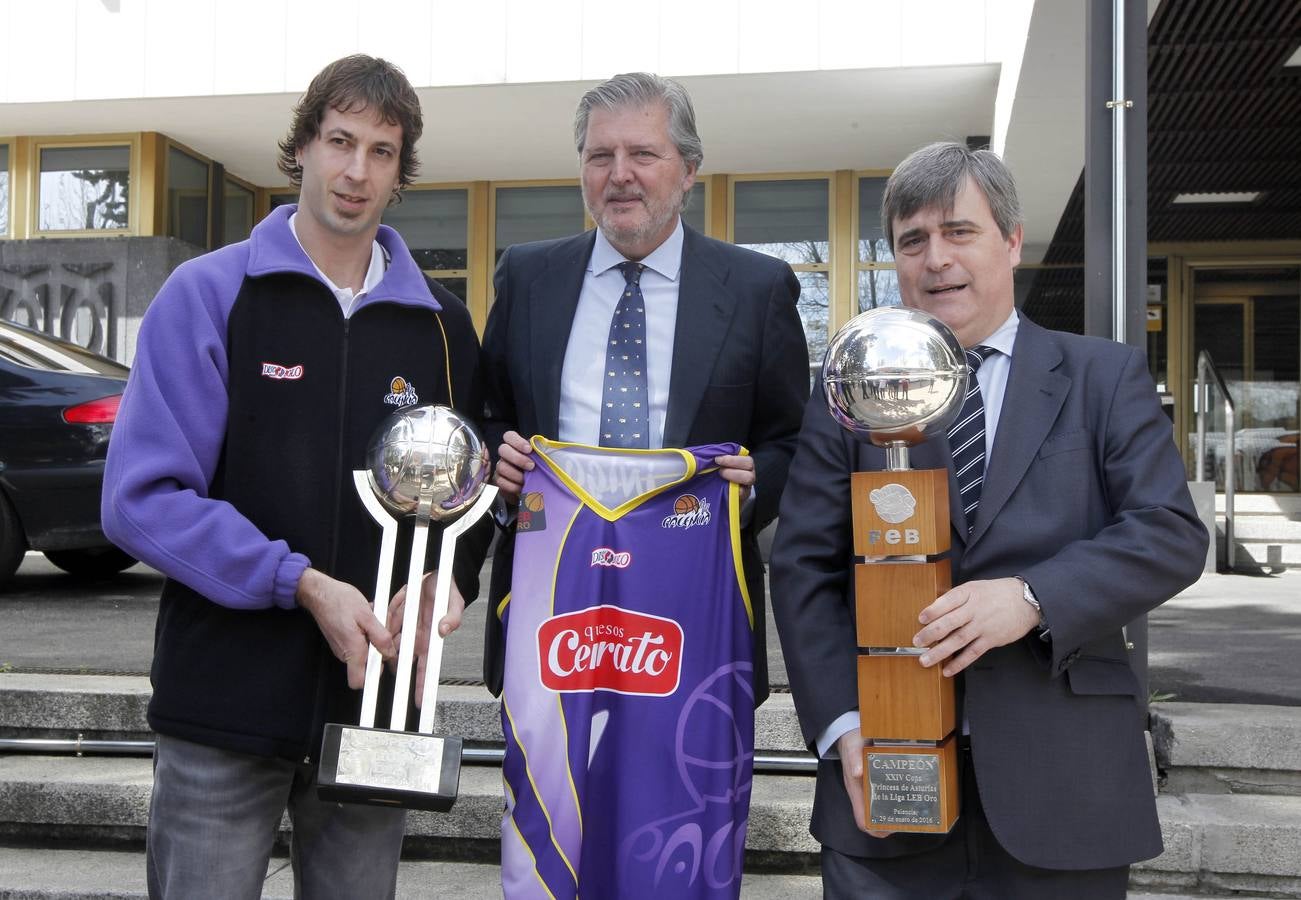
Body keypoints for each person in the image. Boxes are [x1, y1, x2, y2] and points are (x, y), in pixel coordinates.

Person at [770, 141, 1208, 898]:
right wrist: (841, 727)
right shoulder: (851, 391)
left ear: (1009, 241)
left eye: (957, 232)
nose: (934, 259)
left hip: (1064, 787)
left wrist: (1031, 596)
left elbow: (1168, 531)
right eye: (912, 240)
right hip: (885, 786)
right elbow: (803, 567)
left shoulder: (1101, 376)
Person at [101, 55, 489, 899]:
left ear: (399, 172)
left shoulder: (443, 327)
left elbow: (471, 494)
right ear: (302, 149)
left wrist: (444, 582)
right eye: (339, 142)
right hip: (224, 707)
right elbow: (141, 502)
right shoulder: (208, 294)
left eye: (381, 151)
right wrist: (298, 582)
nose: (356, 171)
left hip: (375, 708)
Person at [480, 72, 809, 897]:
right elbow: (485, 418)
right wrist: (499, 458)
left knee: (676, 842)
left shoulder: (757, 289)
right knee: (552, 836)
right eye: (599, 156)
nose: (619, 174)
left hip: (690, 628)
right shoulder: (527, 277)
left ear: (687, 169)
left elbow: (795, 440)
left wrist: (754, 479)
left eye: (642, 154)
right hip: (552, 619)